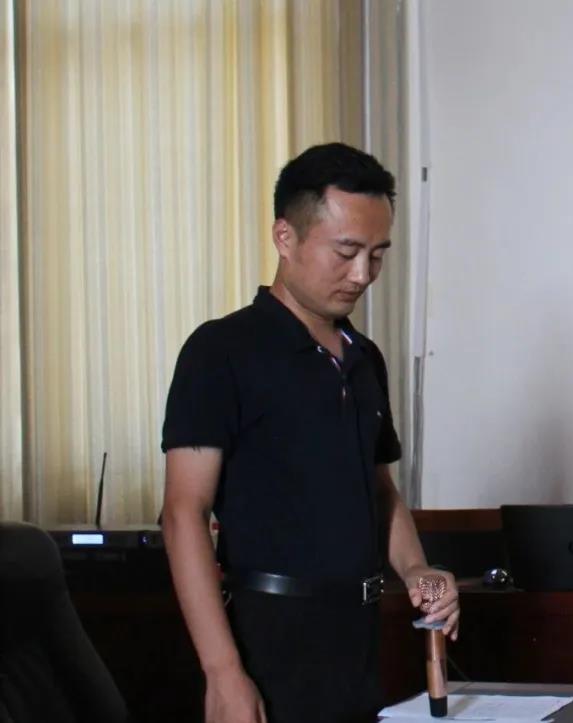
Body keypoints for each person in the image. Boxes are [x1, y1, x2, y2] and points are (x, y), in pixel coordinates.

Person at [160, 143, 459, 723]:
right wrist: (222, 672)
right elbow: (182, 514)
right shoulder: (220, 351)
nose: (362, 275)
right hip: (265, 639)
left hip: (358, 639)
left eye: (377, 255)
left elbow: (379, 490)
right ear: (285, 236)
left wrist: (415, 569)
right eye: (345, 252)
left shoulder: (364, 358)